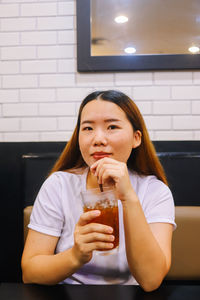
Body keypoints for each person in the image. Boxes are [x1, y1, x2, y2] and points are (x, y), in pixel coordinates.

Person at [21, 90, 176, 291]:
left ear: (136, 138)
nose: (98, 139)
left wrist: (129, 197)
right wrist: (75, 255)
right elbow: (30, 272)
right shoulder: (58, 185)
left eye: (112, 126)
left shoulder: (155, 191)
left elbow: (151, 280)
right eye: (87, 128)